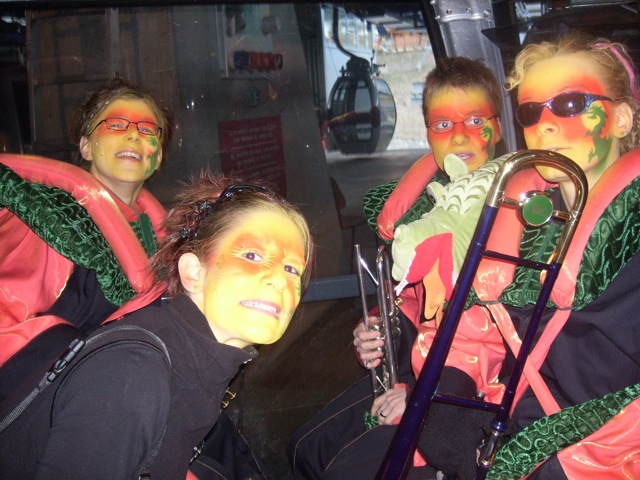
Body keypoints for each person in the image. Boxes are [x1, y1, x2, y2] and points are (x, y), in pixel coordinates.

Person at [0, 173, 314, 480]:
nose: (279, 280)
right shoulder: (133, 372)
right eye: (253, 255)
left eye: (292, 269)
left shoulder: (199, 368)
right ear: (193, 273)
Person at [288, 56, 505, 479]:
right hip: (417, 369)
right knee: (305, 447)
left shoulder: (518, 213)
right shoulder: (431, 204)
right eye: (443, 124)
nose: (459, 135)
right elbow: (415, 301)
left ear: (497, 128)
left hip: (466, 395)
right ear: (428, 133)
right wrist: (378, 330)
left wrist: (424, 394)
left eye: (475, 120)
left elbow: (501, 340)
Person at [0, 76, 173, 395]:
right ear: (85, 146)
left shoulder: (162, 237)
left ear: (158, 156)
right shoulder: (50, 217)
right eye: (116, 125)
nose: (133, 135)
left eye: (148, 129)